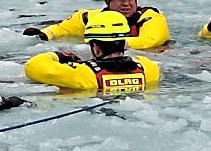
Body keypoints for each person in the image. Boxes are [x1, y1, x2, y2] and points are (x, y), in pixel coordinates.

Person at [22, 0, 169, 50]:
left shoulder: (150, 17)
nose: (126, 4)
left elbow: (150, 41)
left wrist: (112, 44)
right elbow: (63, 29)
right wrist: (44, 35)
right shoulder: (89, 18)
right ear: (107, 1)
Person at [24, 10, 160, 93]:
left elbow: (34, 66)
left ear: (96, 47)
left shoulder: (83, 75)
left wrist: (61, 55)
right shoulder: (148, 69)